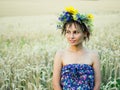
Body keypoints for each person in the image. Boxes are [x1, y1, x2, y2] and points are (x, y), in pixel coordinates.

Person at [52, 6, 101, 90]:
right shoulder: (60, 55)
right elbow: (56, 84)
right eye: (68, 32)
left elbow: (97, 84)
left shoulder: (93, 55)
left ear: (85, 33)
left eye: (76, 32)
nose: (71, 36)